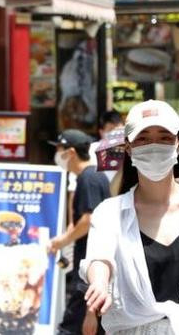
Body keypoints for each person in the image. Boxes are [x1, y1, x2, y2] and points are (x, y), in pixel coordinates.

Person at [82, 100, 179, 335]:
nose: (154, 146)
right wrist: (99, 283)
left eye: (164, 137)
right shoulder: (110, 212)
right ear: (128, 147)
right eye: (143, 138)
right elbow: (99, 258)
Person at [47, 129, 111, 335]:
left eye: (59, 149)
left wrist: (62, 241)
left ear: (71, 153)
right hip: (95, 267)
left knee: (70, 327)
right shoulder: (95, 176)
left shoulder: (88, 178)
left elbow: (88, 219)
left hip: (89, 266)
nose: (57, 155)